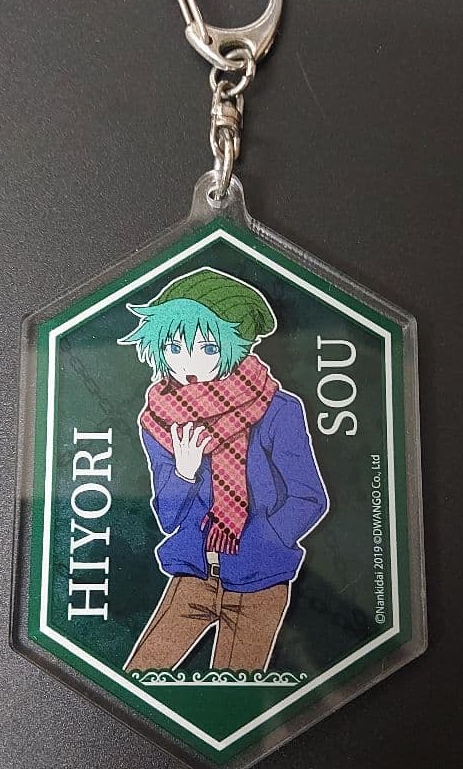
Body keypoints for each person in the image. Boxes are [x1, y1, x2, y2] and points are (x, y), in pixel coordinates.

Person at [119, 267, 329, 673]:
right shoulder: (160, 422)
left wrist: (265, 540)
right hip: (193, 574)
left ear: (236, 345)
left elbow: (308, 498)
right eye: (174, 347)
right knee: (141, 675)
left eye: (207, 348)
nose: (188, 363)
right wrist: (184, 473)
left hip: (259, 582)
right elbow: (168, 518)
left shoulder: (278, 411)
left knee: (235, 693)